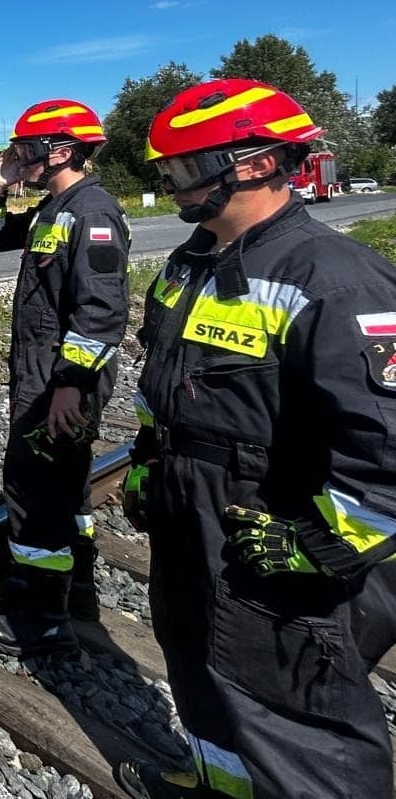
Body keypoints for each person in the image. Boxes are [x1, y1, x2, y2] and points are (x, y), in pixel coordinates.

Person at [115, 79, 396, 799]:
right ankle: (222, 785)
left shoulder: (334, 279)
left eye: (184, 168)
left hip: (274, 528)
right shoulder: (192, 261)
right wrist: (148, 461)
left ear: (255, 163)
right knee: (198, 660)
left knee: (294, 714)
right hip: (191, 512)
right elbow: (162, 381)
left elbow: (386, 444)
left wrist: (322, 543)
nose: (172, 185)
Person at [0, 99, 129, 656]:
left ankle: (44, 620)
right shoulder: (53, 209)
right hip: (45, 370)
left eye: (24, 149)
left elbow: (102, 313)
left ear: (58, 152)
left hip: (60, 378)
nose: (17, 157)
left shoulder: (93, 213)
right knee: (64, 482)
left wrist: (70, 385)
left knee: (34, 487)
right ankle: (72, 588)